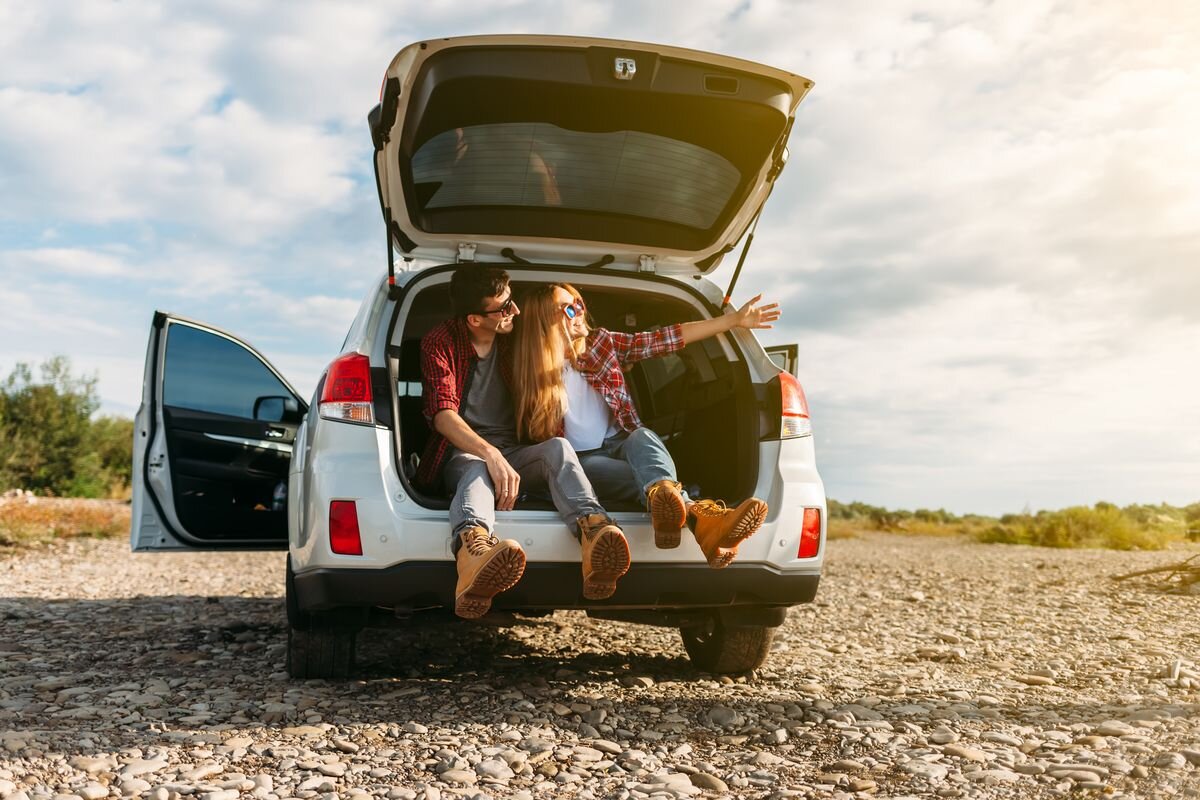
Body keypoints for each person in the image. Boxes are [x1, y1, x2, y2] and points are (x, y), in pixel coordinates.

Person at [511, 283, 781, 568]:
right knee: (643, 478)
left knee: (643, 436)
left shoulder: (601, 345)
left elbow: (662, 340)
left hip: (619, 444)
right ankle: (702, 521)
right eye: (569, 307)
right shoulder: (525, 367)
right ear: (543, 318)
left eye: (579, 304)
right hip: (577, 464)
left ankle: (669, 501)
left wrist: (732, 320)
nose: (580, 312)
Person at [414, 267, 629, 619]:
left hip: (516, 449)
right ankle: (474, 554)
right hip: (464, 450)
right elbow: (442, 414)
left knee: (559, 448)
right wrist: (490, 453)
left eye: (512, 302)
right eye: (503, 308)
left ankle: (594, 533)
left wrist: (570, 311)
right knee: (475, 469)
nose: (514, 311)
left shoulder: (514, 337)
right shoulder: (440, 341)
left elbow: (556, 335)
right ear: (473, 319)